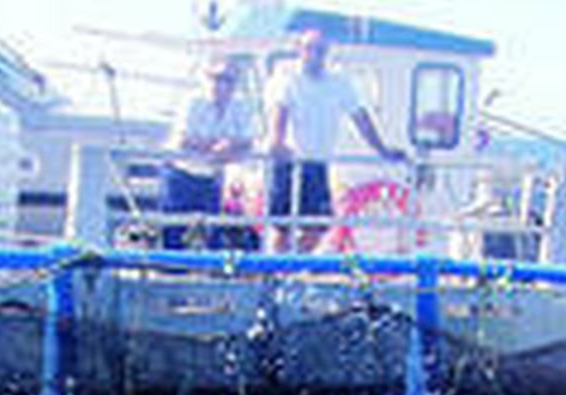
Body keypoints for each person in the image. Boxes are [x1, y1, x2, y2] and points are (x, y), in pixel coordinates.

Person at [266, 29, 406, 252]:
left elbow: (359, 116)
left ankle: (291, 264)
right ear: (299, 49)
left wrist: (382, 149)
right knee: (282, 227)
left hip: (317, 163)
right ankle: (277, 268)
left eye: (320, 50)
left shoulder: (338, 82)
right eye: (310, 48)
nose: (315, 55)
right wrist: (277, 141)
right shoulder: (287, 78)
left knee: (318, 227)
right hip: (289, 161)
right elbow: (280, 110)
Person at [161, 56, 255, 250]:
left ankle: (208, 265)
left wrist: (230, 145)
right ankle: (172, 266)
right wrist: (216, 148)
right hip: (181, 173)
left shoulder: (240, 106)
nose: (222, 85)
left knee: (211, 232)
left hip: (212, 178)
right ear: (207, 78)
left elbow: (248, 141)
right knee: (175, 231)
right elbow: (184, 139)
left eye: (228, 80)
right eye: (217, 78)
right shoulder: (193, 102)